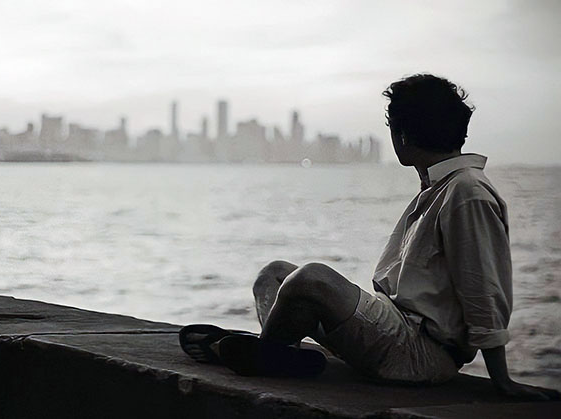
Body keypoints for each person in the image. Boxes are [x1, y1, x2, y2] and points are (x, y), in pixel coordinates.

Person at [180, 74, 560, 401]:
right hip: (396, 331)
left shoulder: (466, 192)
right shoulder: (440, 186)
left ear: (403, 134)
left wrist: (502, 379)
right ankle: (280, 355)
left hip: (422, 355)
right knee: (274, 275)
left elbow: (483, 289)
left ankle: (266, 353)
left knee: (311, 278)